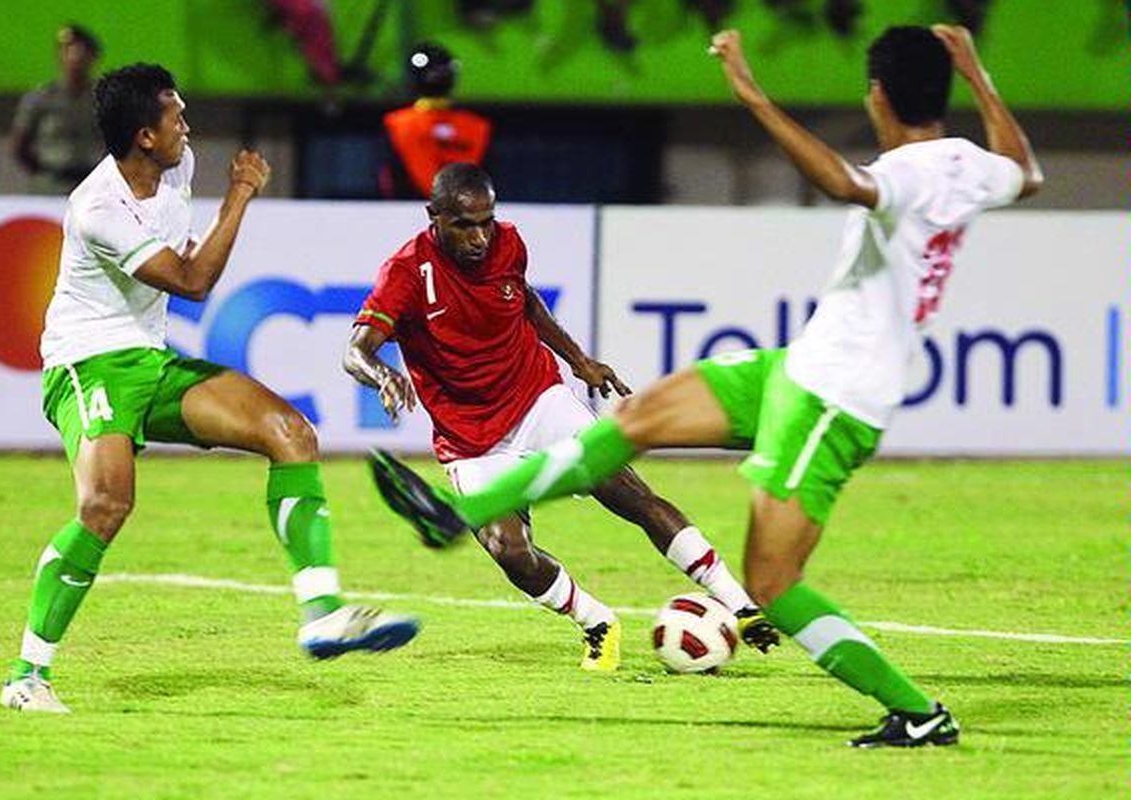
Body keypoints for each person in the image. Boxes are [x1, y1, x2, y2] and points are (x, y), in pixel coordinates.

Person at [369, 25, 1041, 747]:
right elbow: (1025, 172)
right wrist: (977, 73)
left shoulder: (907, 173)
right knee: (639, 419)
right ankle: (458, 512)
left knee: (775, 583)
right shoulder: (971, 165)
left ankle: (917, 712)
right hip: (797, 365)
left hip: (838, 397)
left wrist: (752, 94)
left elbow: (847, 182)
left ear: (876, 95)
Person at [0, 63, 418, 714]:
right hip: (88, 365)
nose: (186, 125)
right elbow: (193, 281)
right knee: (107, 506)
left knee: (291, 434)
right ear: (143, 135)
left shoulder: (180, 164)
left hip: (151, 360)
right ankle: (28, 674)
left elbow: (183, 253)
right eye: (174, 115)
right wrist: (241, 198)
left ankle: (323, 613)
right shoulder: (97, 208)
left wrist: (215, 214)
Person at [347, 162, 779, 671]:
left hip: (538, 400)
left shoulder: (509, 243)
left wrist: (579, 362)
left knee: (631, 496)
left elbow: (526, 304)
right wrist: (382, 374)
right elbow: (356, 350)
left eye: (486, 221)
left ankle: (741, 605)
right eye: (464, 225)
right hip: (470, 440)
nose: (480, 237)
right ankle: (597, 622)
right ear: (433, 218)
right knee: (510, 551)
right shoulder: (406, 273)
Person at [380, 42, 492, 200]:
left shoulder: (476, 126)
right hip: (410, 207)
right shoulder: (397, 123)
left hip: (462, 210)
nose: (436, 76)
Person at [11, 24, 107, 195]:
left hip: (92, 184)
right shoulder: (42, 98)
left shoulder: (103, 99)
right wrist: (43, 170)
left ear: (92, 57)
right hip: (52, 184)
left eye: (80, 51)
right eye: (67, 51)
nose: (74, 58)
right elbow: (20, 146)